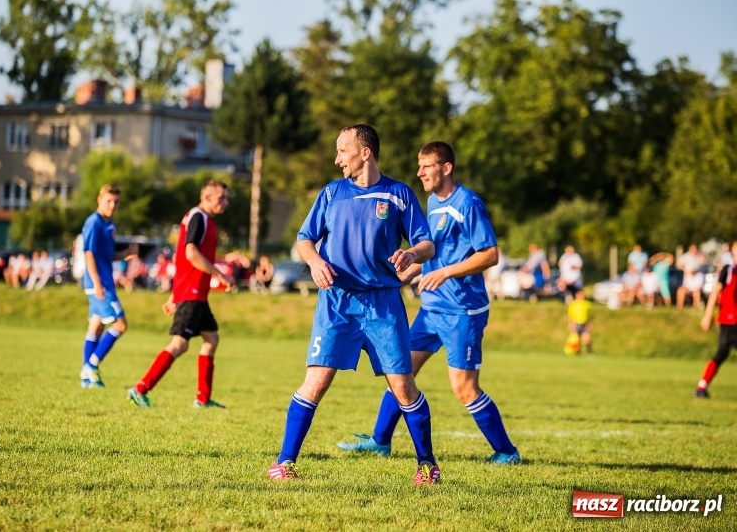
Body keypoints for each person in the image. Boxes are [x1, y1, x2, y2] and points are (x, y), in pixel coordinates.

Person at [267, 124, 440, 485]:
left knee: (404, 387)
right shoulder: (331, 194)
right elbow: (304, 239)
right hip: (337, 303)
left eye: (342, 150)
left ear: (365, 153)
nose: (336, 158)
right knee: (315, 382)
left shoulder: (400, 195)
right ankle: (285, 462)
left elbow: (427, 244)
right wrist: (315, 262)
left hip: (383, 304)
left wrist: (411, 252)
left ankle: (427, 465)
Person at [336, 141, 520, 467]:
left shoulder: (469, 203)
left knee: (463, 387)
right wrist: (406, 275)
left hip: (463, 310)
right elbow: (435, 253)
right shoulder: (432, 202)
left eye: (427, 166)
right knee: (400, 371)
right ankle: (380, 442)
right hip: (432, 307)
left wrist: (446, 273)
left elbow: (490, 255)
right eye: (418, 166)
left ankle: (506, 451)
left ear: (446, 168)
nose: (419, 172)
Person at [128, 181, 235, 408]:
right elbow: (190, 253)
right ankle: (140, 388)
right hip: (193, 292)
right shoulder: (198, 217)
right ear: (206, 197)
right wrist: (220, 274)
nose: (225, 203)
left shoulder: (203, 219)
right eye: (221, 198)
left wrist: (173, 295)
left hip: (194, 293)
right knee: (180, 344)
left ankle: (202, 398)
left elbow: (180, 260)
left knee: (211, 339)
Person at [79, 184, 137, 388]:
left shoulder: (109, 224)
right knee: (121, 325)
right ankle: (91, 366)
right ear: (99, 199)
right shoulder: (94, 222)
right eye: (108, 201)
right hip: (99, 283)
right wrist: (97, 283)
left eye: (116, 202)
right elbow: (89, 254)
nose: (112, 205)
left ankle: (87, 379)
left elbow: (107, 255)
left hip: (103, 281)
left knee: (96, 325)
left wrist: (126, 253)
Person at [694, 239, 737, 398]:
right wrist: (708, 315)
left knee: (722, 354)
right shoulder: (729, 270)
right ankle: (701, 386)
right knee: (721, 354)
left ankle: (702, 386)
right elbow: (715, 293)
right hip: (729, 320)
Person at [676, 244, 705, 310]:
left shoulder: (699, 257)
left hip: (696, 282)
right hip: (688, 282)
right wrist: (685, 269)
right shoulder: (686, 257)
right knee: (680, 291)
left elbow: (703, 263)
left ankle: (695, 307)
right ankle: (679, 308)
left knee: (696, 292)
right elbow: (679, 264)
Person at [567, 290, 593, 357]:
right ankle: (577, 353)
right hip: (576, 323)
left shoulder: (587, 304)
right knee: (577, 339)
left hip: (584, 323)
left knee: (587, 338)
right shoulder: (573, 304)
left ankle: (590, 352)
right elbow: (570, 316)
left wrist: (589, 323)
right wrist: (571, 324)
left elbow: (589, 315)